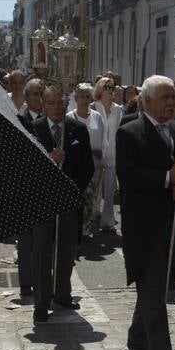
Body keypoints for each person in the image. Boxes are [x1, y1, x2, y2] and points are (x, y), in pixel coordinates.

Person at [116, 75, 175, 350]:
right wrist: (168, 179)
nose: (171, 103)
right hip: (145, 227)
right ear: (147, 101)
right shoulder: (130, 133)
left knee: (157, 287)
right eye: (165, 98)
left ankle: (137, 336)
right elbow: (129, 176)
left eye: (173, 97)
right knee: (153, 289)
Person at [40, 86, 94, 312]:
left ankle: (63, 292)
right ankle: (42, 298)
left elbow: (87, 166)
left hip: (69, 200)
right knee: (43, 251)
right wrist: (51, 160)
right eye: (51, 103)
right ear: (43, 105)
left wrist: (72, 190)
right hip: (43, 202)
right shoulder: (35, 129)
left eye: (60, 103)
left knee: (66, 248)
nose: (56, 108)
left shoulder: (78, 129)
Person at [16, 79, 59, 316]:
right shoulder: (21, 120)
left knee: (43, 244)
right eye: (34, 93)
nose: (37, 97)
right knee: (26, 240)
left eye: (40, 93)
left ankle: (43, 287)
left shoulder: (50, 121)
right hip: (27, 191)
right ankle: (26, 282)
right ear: (27, 97)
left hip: (45, 194)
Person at [70, 83, 102, 239]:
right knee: (78, 195)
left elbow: (102, 140)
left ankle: (86, 227)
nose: (84, 100)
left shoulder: (97, 116)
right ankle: (75, 226)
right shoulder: (70, 117)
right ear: (76, 98)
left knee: (91, 196)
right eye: (81, 97)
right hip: (76, 164)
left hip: (94, 163)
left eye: (87, 96)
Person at [92, 76, 123, 233]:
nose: (110, 90)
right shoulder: (93, 106)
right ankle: (93, 218)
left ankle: (108, 221)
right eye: (107, 87)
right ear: (100, 89)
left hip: (113, 153)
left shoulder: (118, 109)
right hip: (96, 153)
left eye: (112, 87)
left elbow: (120, 131)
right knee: (95, 189)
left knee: (110, 190)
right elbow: (91, 129)